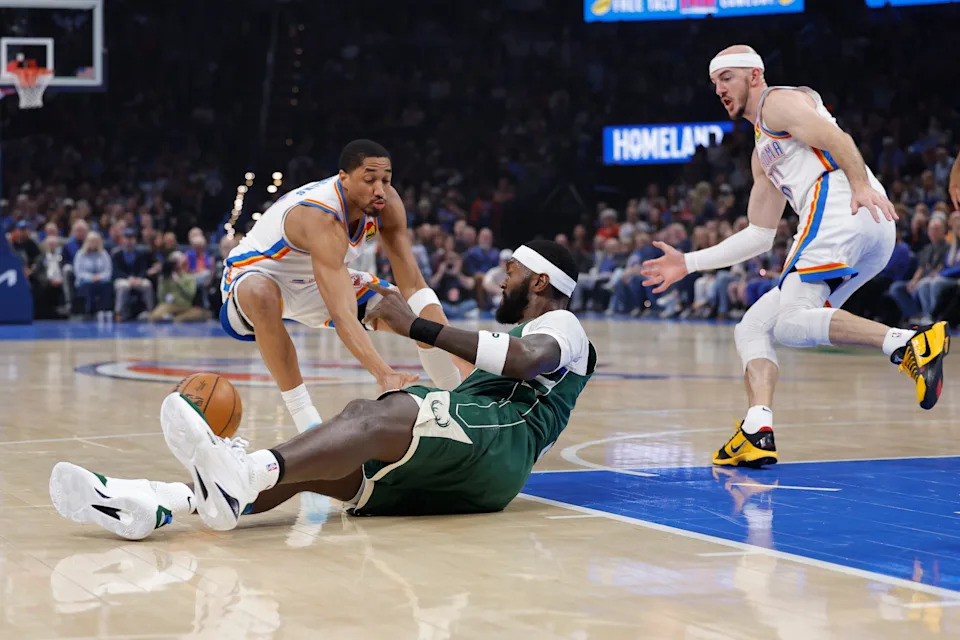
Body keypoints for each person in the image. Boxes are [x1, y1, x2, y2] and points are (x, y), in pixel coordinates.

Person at [49, 241, 595, 541]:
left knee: (371, 412)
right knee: (319, 468)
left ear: (541, 282)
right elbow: (470, 368)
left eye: (512, 270)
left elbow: (524, 362)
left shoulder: (564, 327)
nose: (502, 278)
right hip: (484, 471)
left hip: (502, 442)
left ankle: (240, 475)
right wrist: (414, 323)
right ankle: (156, 502)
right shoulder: (516, 340)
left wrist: (413, 326)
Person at [641, 45, 950, 468]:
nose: (718, 89)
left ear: (754, 76)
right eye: (714, 82)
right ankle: (757, 429)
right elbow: (759, 235)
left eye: (726, 78)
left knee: (789, 322)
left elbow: (837, 138)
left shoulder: (778, 102)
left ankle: (909, 342)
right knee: (754, 327)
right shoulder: (762, 150)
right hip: (868, 227)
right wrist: (689, 263)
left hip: (843, 203)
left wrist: (859, 186)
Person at [219, 140, 470, 432]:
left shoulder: (386, 203)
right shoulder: (321, 216)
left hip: (315, 279)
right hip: (258, 275)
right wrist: (384, 374)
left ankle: (461, 400)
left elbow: (414, 285)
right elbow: (343, 315)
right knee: (262, 293)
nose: (379, 189)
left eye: (385, 180)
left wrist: (457, 351)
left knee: (400, 308)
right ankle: (308, 424)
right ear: (344, 179)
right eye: (369, 179)